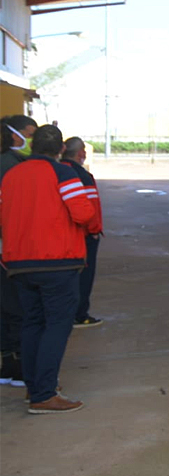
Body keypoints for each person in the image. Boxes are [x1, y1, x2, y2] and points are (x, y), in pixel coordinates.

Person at [0, 125, 97, 414]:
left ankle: (34, 386)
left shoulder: (11, 175)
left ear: (31, 146)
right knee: (56, 325)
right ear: (60, 150)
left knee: (32, 323)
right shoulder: (63, 173)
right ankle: (43, 394)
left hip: (18, 262)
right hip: (57, 261)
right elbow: (83, 213)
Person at [0, 115, 37, 387]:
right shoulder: (11, 167)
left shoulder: (11, 164)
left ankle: (8, 365)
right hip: (9, 250)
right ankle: (21, 368)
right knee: (17, 308)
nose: (31, 140)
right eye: (29, 133)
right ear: (13, 135)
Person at [60, 137, 105, 327]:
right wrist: (94, 230)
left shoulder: (56, 171)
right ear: (81, 153)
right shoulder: (81, 175)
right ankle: (80, 314)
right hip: (83, 235)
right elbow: (90, 208)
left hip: (61, 234)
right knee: (84, 275)